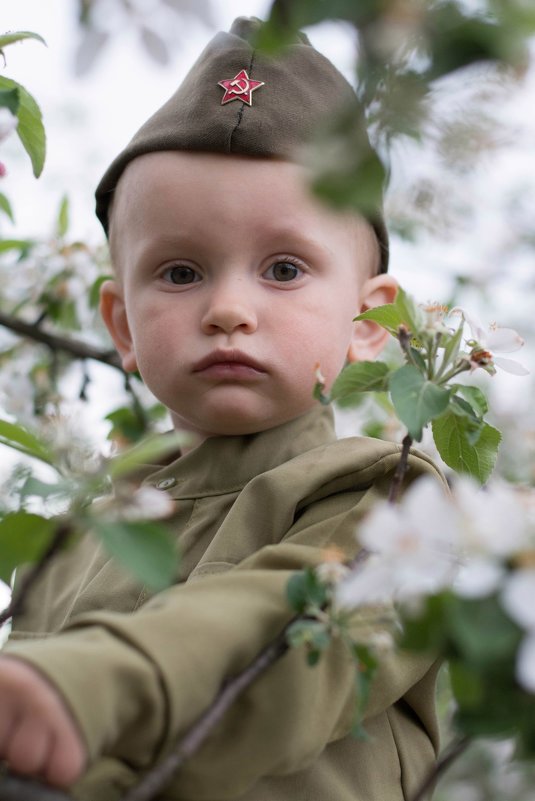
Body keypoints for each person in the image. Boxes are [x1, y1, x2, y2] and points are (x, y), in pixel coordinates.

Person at [0, 17, 443, 801]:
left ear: (371, 323)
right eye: (178, 272)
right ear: (121, 326)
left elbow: (290, 634)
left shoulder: (391, 498)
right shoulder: (79, 536)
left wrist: (96, 685)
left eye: (282, 267)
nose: (228, 308)